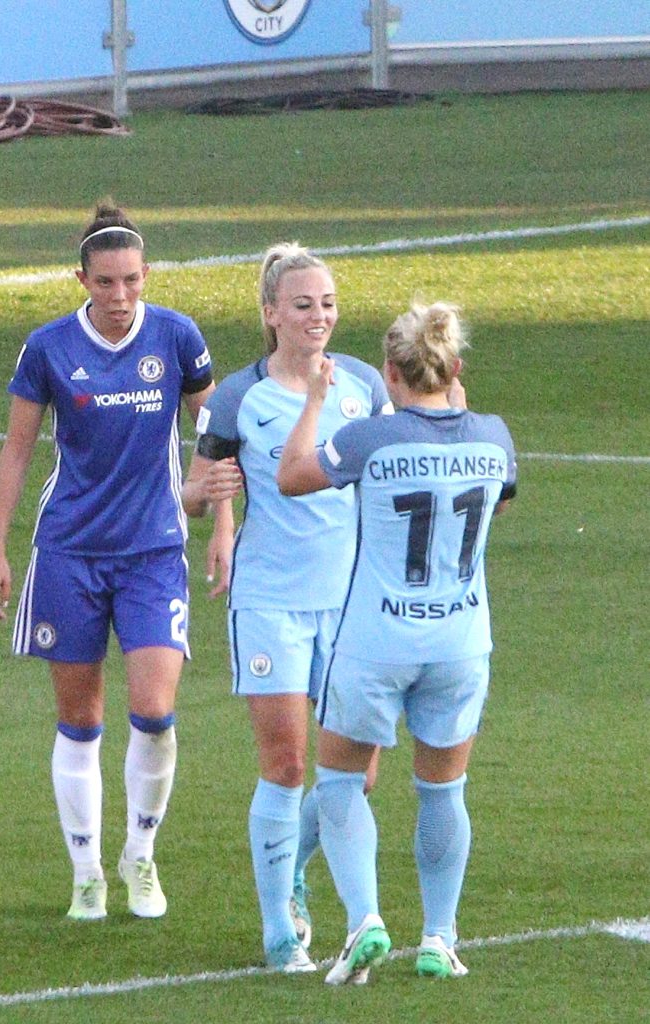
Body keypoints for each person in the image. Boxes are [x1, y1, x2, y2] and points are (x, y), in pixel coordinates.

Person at [0, 201, 235, 922]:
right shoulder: (48, 348)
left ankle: (140, 857)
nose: (120, 298)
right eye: (105, 283)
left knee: (154, 712)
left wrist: (221, 528)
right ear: (81, 279)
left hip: (153, 552)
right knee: (80, 720)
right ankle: (87, 871)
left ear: (146, 274)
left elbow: (215, 438)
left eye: (130, 281)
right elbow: (18, 450)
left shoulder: (176, 337)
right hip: (69, 553)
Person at [277, 299, 516, 984]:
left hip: (376, 642)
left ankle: (364, 920)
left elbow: (292, 475)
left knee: (342, 784)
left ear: (389, 372)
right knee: (443, 792)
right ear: (455, 368)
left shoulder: (369, 440)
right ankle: (439, 938)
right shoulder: (493, 435)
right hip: (461, 641)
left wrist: (316, 403)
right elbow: (498, 497)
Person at [182, 242, 392, 972]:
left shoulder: (363, 385)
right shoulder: (239, 398)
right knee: (286, 762)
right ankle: (279, 931)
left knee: (356, 776)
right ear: (271, 314)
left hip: (350, 608)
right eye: (302, 305)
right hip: (270, 602)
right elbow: (190, 487)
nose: (318, 316)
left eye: (327, 303)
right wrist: (204, 498)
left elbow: (393, 476)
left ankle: (293, 869)